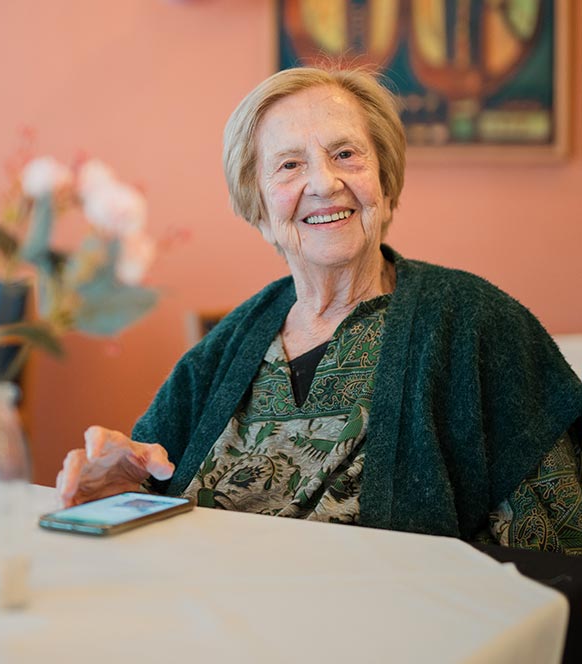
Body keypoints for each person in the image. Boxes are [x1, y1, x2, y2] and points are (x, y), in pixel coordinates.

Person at [57, 66, 582, 553]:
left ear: (384, 179)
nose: (324, 183)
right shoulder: (227, 347)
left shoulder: (476, 324)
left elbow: (559, 556)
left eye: (346, 155)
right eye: (289, 165)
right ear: (259, 207)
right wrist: (116, 491)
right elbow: (147, 485)